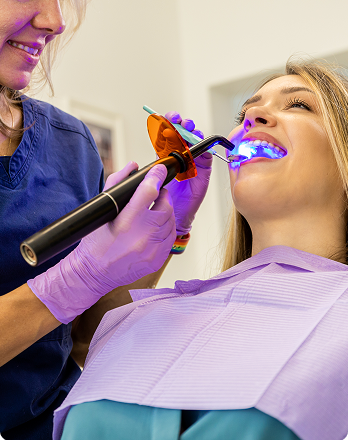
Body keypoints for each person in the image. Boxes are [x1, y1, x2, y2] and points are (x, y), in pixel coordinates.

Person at [0, 0, 212, 439]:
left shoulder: (70, 144)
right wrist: (75, 278)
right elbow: (74, 288)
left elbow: (89, 332)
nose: (55, 19)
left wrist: (165, 233)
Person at [54, 58, 348, 441]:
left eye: (298, 105)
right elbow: (75, 347)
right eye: (245, 110)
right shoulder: (140, 317)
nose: (253, 114)